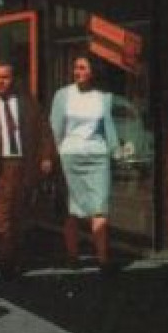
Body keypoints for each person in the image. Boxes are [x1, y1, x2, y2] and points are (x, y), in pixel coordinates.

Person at [0, 61, 56, 279]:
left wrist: (46, 157)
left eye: (5, 77)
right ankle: (4, 261)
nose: (1, 82)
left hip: (23, 166)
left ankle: (14, 254)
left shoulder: (29, 105)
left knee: (18, 215)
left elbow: (45, 133)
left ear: (12, 78)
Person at [51, 54, 122, 273]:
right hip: (70, 156)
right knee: (73, 210)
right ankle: (73, 257)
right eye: (76, 67)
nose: (78, 72)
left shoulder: (103, 98)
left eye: (83, 68)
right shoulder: (63, 95)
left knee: (99, 208)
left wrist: (115, 150)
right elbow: (55, 127)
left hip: (97, 157)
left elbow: (108, 127)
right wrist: (53, 156)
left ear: (93, 72)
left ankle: (103, 259)